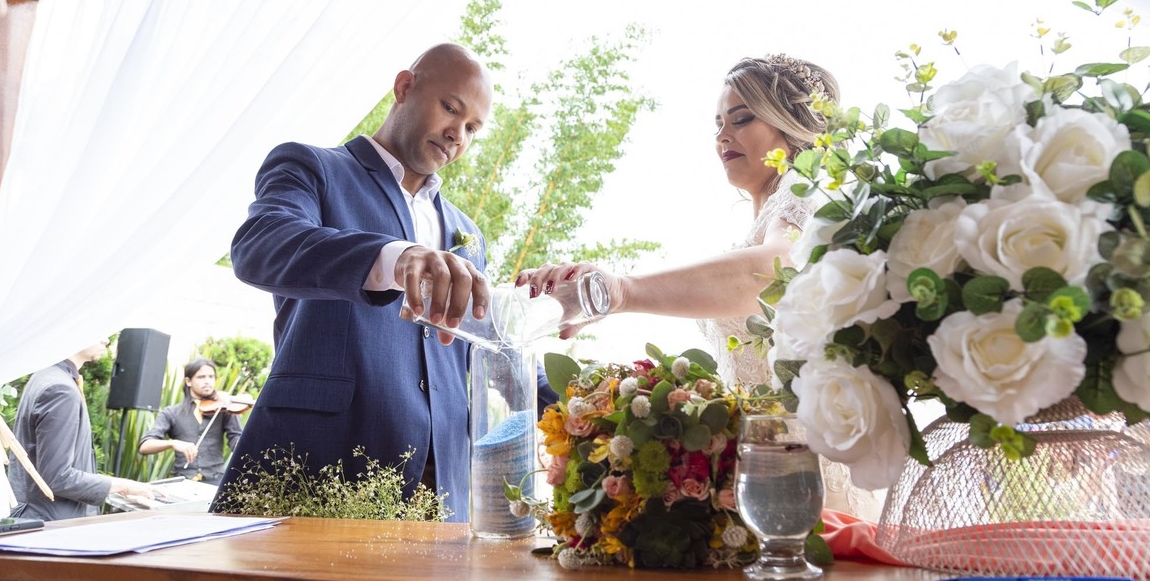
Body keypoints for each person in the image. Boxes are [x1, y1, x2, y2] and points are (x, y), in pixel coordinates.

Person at [517, 53, 884, 520]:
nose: (722, 137)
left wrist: (619, 292)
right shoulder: (769, 215)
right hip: (765, 480)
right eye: (718, 125)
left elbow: (774, 272)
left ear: (790, 126)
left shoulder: (807, 187)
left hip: (812, 484)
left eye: (741, 119)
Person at [214, 42, 554, 522]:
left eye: (472, 128)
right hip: (320, 469)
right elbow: (260, 244)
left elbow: (485, 340)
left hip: (443, 492)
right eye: (450, 108)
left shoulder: (468, 233)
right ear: (404, 87)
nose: (457, 135)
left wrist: (588, 403)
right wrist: (394, 258)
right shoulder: (312, 168)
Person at [8, 341, 160, 521]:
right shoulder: (60, 389)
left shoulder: (47, 376)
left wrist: (114, 490)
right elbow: (57, 477)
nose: (106, 340)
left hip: (42, 517)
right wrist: (123, 485)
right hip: (51, 524)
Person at [138, 358, 242, 485]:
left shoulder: (224, 408)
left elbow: (236, 438)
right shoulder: (171, 412)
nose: (207, 381)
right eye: (201, 377)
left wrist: (243, 444)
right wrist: (173, 443)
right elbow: (144, 446)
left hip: (215, 482)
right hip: (183, 482)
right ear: (188, 381)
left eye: (211, 376)